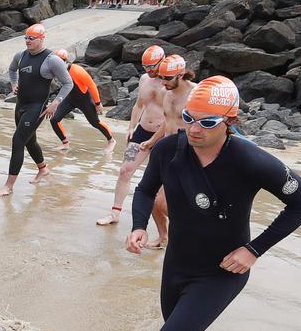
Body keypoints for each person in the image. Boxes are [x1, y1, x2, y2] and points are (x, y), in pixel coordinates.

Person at [124, 77, 301, 331]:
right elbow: (146, 189)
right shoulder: (169, 150)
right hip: (177, 264)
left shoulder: (250, 160)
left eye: (207, 122)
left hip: (222, 272)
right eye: (189, 117)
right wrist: (138, 226)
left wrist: (254, 249)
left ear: (231, 121)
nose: (194, 129)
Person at [0, 24, 72, 196]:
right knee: (29, 140)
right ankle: (43, 169)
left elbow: (68, 83)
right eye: (26, 38)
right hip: (20, 104)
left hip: (37, 107)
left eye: (31, 38)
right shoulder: (21, 56)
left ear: (42, 38)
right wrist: (14, 83)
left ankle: (8, 186)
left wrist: (55, 102)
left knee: (18, 140)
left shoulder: (52, 60)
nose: (27, 41)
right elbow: (12, 69)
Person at [97, 45, 168, 227]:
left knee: (162, 181)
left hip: (164, 135)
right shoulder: (145, 79)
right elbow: (139, 105)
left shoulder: (171, 83)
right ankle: (115, 213)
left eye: (152, 67)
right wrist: (131, 127)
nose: (149, 71)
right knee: (124, 170)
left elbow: (173, 115)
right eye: (146, 67)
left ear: (162, 62)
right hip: (142, 131)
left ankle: (164, 225)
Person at [142, 54, 196, 249]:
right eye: (161, 78)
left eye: (167, 78)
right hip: (166, 151)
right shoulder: (168, 93)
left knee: (167, 202)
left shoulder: (195, 95)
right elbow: (167, 121)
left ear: (181, 75)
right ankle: (163, 237)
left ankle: (187, 237)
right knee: (153, 200)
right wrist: (151, 141)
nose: (162, 82)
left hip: (188, 154)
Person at [49, 48, 115, 155]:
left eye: (59, 62)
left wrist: (97, 103)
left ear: (66, 61)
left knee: (95, 123)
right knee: (54, 120)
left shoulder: (77, 71)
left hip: (84, 100)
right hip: (70, 99)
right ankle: (65, 143)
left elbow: (92, 85)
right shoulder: (57, 70)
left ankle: (111, 141)